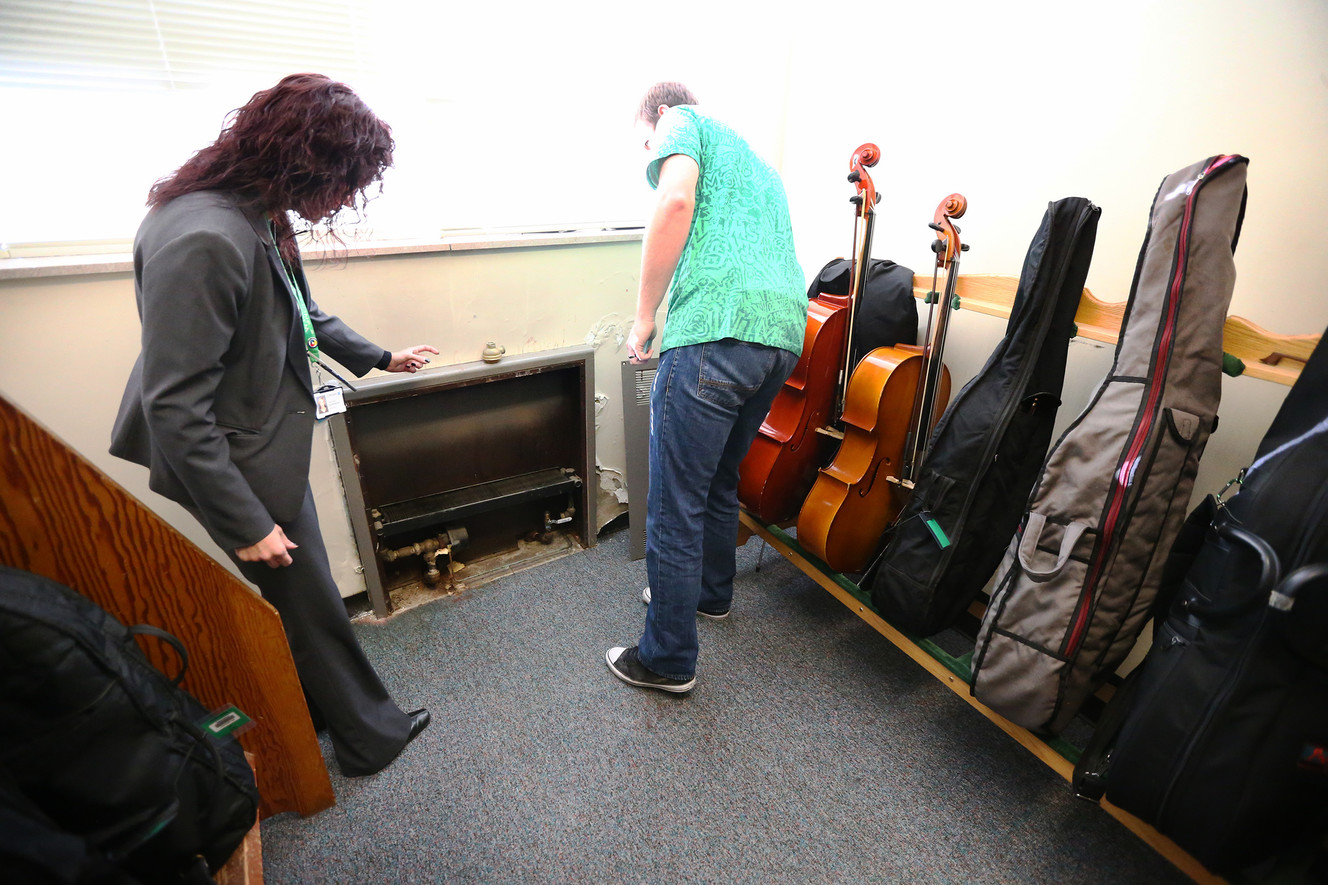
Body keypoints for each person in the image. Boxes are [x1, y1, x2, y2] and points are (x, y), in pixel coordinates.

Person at [110, 73, 437, 777]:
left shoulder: (255, 210)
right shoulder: (204, 236)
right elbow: (174, 406)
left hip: (252, 438)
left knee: (300, 599)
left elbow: (300, 311)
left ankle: (319, 711)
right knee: (310, 600)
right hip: (226, 455)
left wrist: (380, 356)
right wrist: (247, 522)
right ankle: (369, 738)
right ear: (307, 159)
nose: (346, 199)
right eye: (345, 182)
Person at [606, 82, 807, 693]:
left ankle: (665, 659)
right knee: (719, 477)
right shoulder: (758, 164)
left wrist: (644, 316)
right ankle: (710, 594)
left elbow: (674, 202)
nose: (653, 153)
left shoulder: (681, 121)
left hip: (716, 331)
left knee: (674, 498)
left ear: (660, 115)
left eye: (648, 143)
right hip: (781, 336)